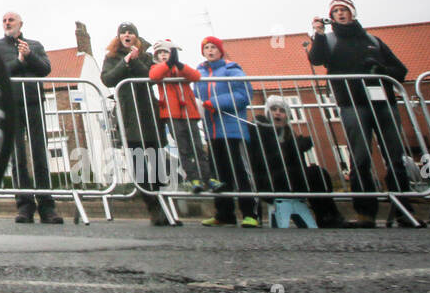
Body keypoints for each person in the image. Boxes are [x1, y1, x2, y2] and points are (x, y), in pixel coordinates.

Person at [306, 0, 419, 228]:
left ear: (352, 13)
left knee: (395, 157)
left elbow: (401, 70)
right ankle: (365, 212)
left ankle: (403, 210)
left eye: (344, 10)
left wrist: (382, 70)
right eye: (335, 11)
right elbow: (316, 59)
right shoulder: (329, 39)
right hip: (352, 103)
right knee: (360, 158)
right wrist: (318, 32)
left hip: (383, 102)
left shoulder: (373, 41)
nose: (340, 14)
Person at [101, 22, 170, 224]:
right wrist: (125, 62)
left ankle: (163, 204)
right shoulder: (111, 57)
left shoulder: (146, 55)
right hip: (128, 116)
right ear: (119, 37)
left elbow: (150, 77)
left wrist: (136, 59)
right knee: (139, 163)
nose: (127, 35)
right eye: (123, 32)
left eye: (130, 32)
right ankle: (153, 208)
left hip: (148, 113)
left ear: (135, 36)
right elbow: (108, 79)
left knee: (157, 162)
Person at [0, 11, 61, 224]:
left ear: (20, 24)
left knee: (40, 153)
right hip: (11, 104)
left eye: (11, 20)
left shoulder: (35, 44)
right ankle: (24, 205)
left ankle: (47, 206)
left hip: (33, 101)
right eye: (4, 20)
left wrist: (30, 55)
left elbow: (45, 69)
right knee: (18, 156)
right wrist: (19, 60)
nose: (7, 23)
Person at [250, 95, 346, 227]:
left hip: (289, 177)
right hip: (268, 179)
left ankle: (328, 215)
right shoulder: (258, 131)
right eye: (273, 109)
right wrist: (293, 147)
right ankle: (327, 216)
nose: (278, 112)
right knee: (311, 174)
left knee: (318, 173)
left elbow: (297, 164)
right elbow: (263, 161)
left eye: (282, 111)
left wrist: (298, 147)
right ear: (267, 112)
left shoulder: (288, 133)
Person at [193, 36, 259, 227]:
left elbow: (243, 94)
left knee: (240, 171)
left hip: (233, 129)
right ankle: (224, 213)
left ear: (220, 50)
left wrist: (214, 103)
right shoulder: (200, 73)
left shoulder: (232, 69)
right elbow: (197, 96)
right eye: (206, 47)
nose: (210, 50)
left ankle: (250, 213)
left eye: (213, 47)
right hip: (212, 130)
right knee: (218, 175)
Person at [148, 39, 208, 192]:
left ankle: (207, 177)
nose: (163, 55)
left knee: (197, 146)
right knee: (183, 148)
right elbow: (154, 75)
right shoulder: (158, 68)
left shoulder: (181, 69)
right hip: (172, 114)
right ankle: (193, 177)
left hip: (190, 113)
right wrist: (168, 64)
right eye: (160, 53)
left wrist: (178, 64)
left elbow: (195, 76)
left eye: (166, 52)